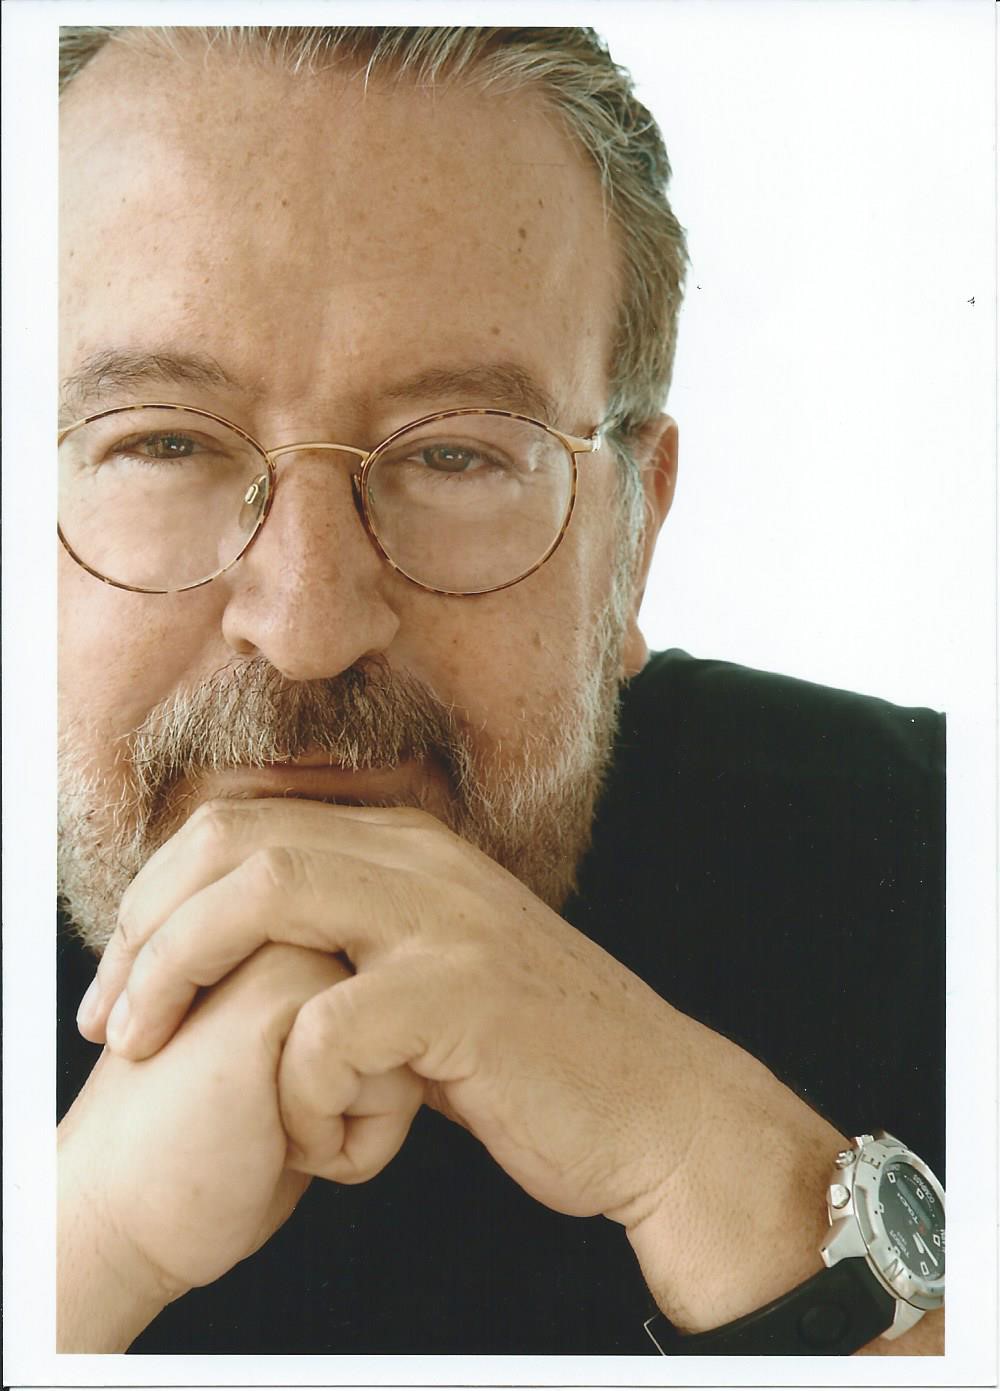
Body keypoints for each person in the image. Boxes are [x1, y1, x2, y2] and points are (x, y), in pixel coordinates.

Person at [56, 25, 944, 1356]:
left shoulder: (936, 860)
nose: (308, 626)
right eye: (163, 445)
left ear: (634, 537)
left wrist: (708, 1153)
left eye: (458, 457)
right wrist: (77, 1250)